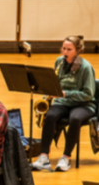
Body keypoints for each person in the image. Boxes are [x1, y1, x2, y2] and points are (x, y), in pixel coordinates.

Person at [32, 35, 96, 172]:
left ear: (78, 51)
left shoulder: (86, 67)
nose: (65, 52)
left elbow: (89, 94)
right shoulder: (59, 62)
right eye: (64, 48)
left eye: (69, 49)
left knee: (75, 118)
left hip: (84, 104)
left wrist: (66, 93)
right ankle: (44, 157)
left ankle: (66, 158)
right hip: (63, 102)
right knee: (50, 116)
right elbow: (56, 84)